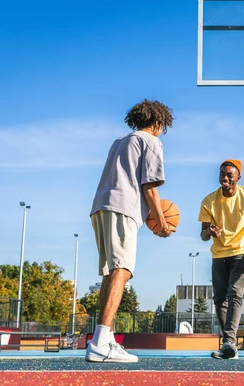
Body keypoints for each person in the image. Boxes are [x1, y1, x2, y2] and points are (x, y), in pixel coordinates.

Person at [85, 99, 175, 363]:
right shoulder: (151, 141)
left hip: (100, 206)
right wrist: (161, 222)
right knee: (122, 270)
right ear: (158, 123)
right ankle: (101, 342)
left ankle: (104, 338)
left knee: (111, 272)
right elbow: (150, 187)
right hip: (122, 207)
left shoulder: (119, 141)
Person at [198, 159, 244, 359]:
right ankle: (229, 345)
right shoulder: (209, 201)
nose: (225, 177)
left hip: (242, 251)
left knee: (235, 294)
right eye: (222, 174)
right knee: (219, 299)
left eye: (229, 174)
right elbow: (202, 234)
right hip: (219, 254)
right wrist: (209, 232)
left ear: (238, 177)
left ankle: (228, 342)